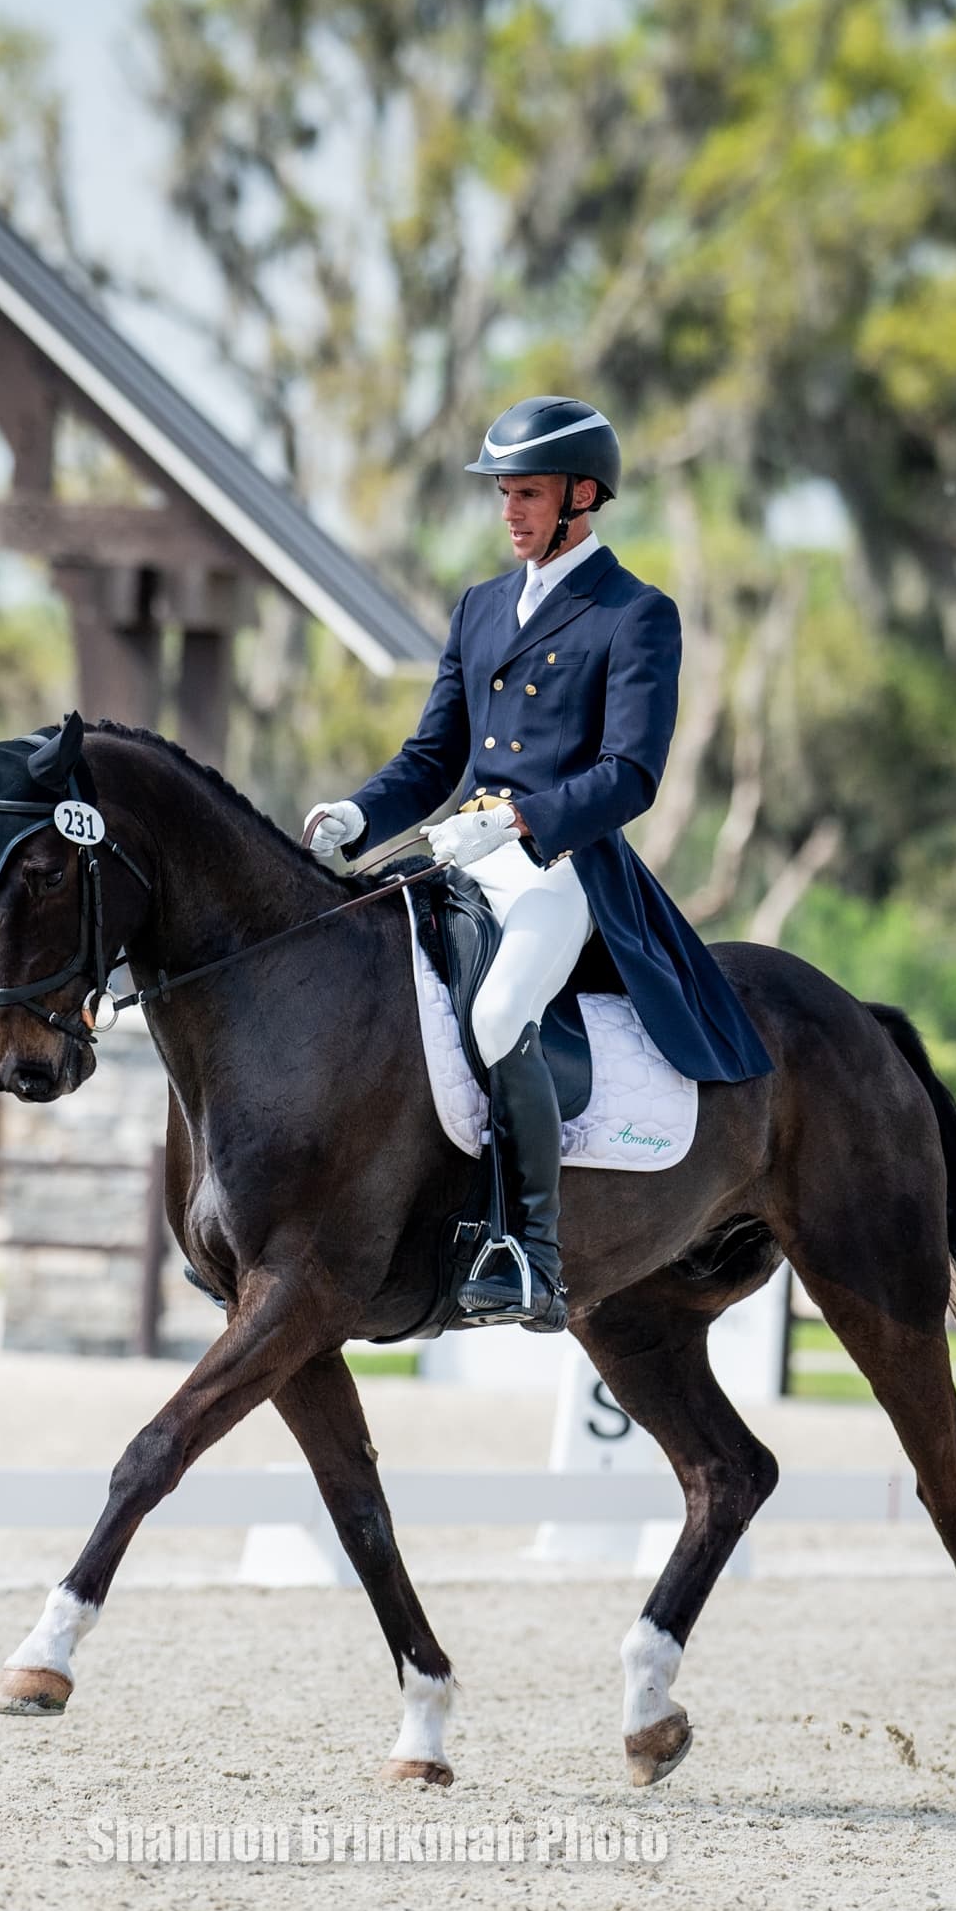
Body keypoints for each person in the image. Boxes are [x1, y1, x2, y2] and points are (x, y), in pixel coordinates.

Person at [301, 396, 773, 1332]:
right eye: (504, 495)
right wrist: (357, 814)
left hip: (561, 869)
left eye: (528, 494)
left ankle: (526, 1250)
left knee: (501, 1009)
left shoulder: (635, 614)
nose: (510, 512)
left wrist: (520, 821)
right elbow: (434, 759)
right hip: (459, 859)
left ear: (582, 497)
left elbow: (629, 775)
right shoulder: (479, 607)